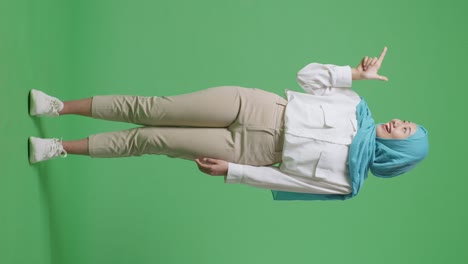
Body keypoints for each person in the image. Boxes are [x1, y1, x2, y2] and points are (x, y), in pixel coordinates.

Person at [28, 47, 429, 200]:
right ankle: (58, 107)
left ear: (400, 154)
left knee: (151, 140)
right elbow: (306, 76)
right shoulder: (355, 105)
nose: (398, 122)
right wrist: (353, 75)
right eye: (406, 121)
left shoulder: (347, 184)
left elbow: (286, 182)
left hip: (253, 153)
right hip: (258, 106)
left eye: (405, 130)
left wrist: (234, 172)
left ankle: (59, 148)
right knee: (154, 108)